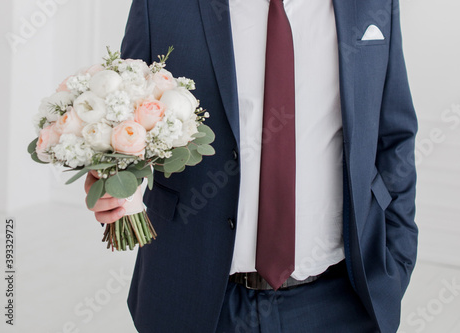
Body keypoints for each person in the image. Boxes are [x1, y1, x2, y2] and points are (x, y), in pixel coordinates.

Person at [84, 0, 418, 332]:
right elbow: (123, 113)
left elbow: (394, 136)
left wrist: (397, 257)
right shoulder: (163, 6)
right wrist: (110, 184)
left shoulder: (372, 4)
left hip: (341, 299)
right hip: (197, 300)